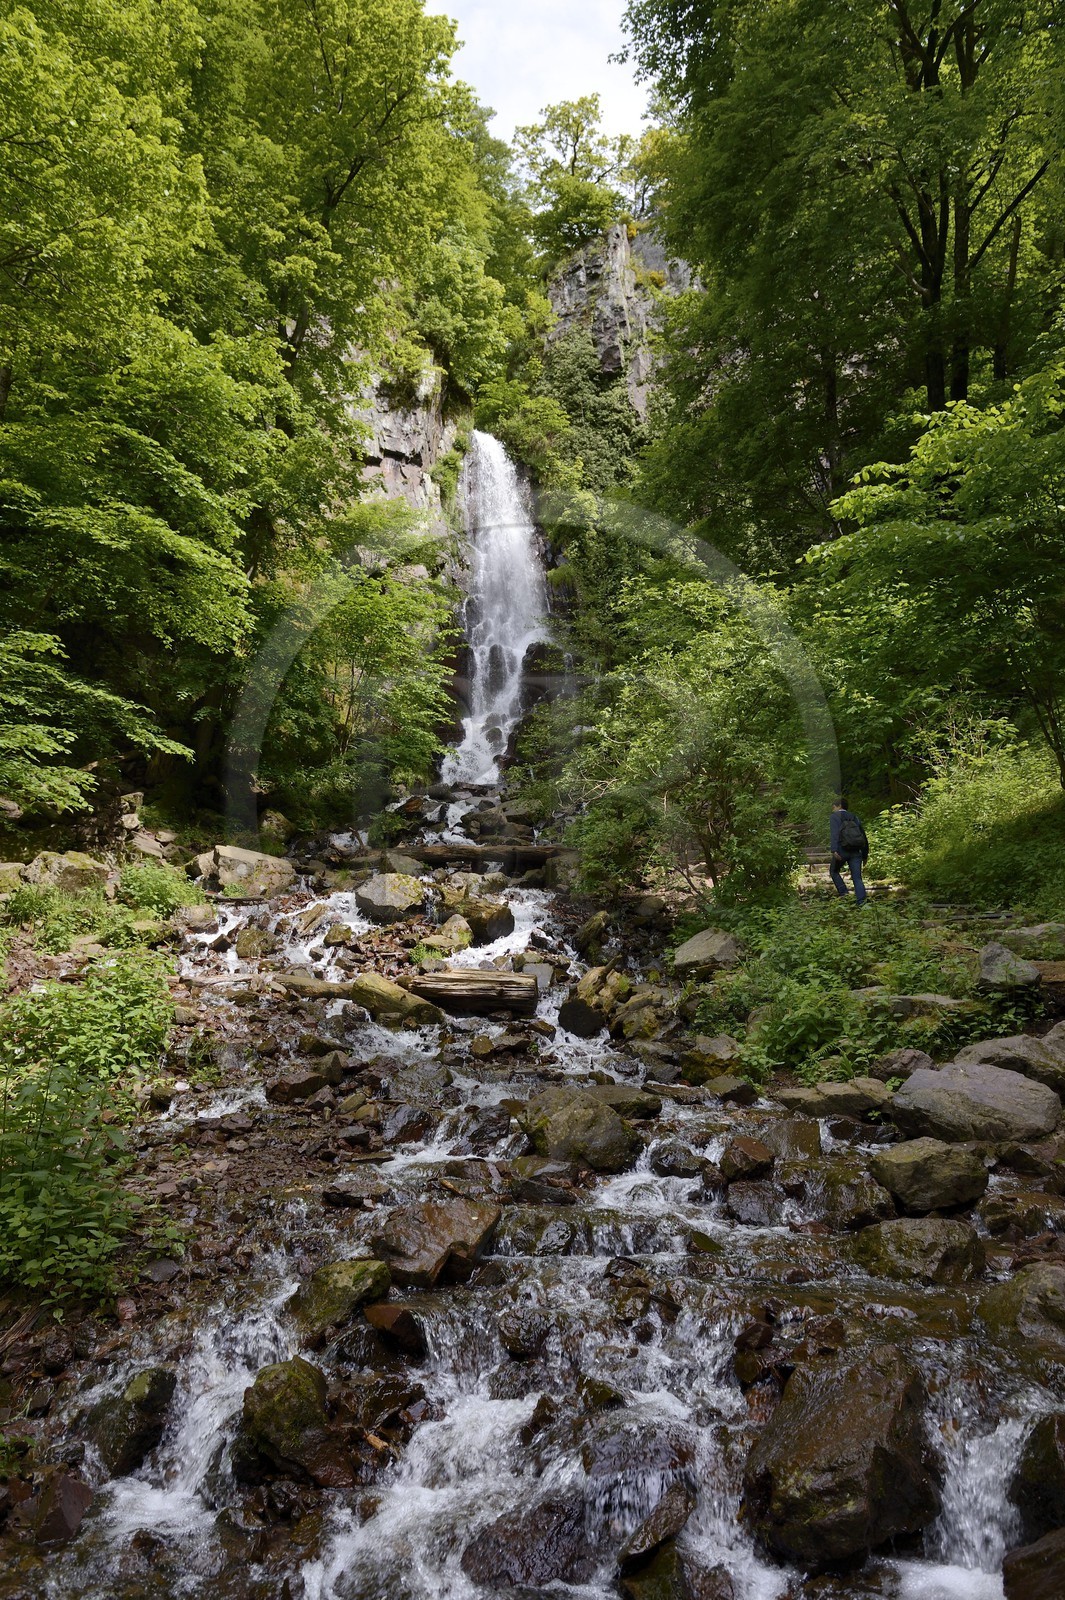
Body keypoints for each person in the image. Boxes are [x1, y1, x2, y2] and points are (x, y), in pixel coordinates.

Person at [830, 798, 869, 907]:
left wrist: (834, 850)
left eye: (834, 806)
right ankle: (862, 903)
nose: (833, 808)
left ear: (839, 806)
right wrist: (865, 854)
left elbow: (834, 834)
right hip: (856, 851)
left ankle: (845, 895)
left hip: (842, 851)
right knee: (857, 878)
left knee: (834, 871)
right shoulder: (854, 817)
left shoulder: (834, 817)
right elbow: (863, 835)